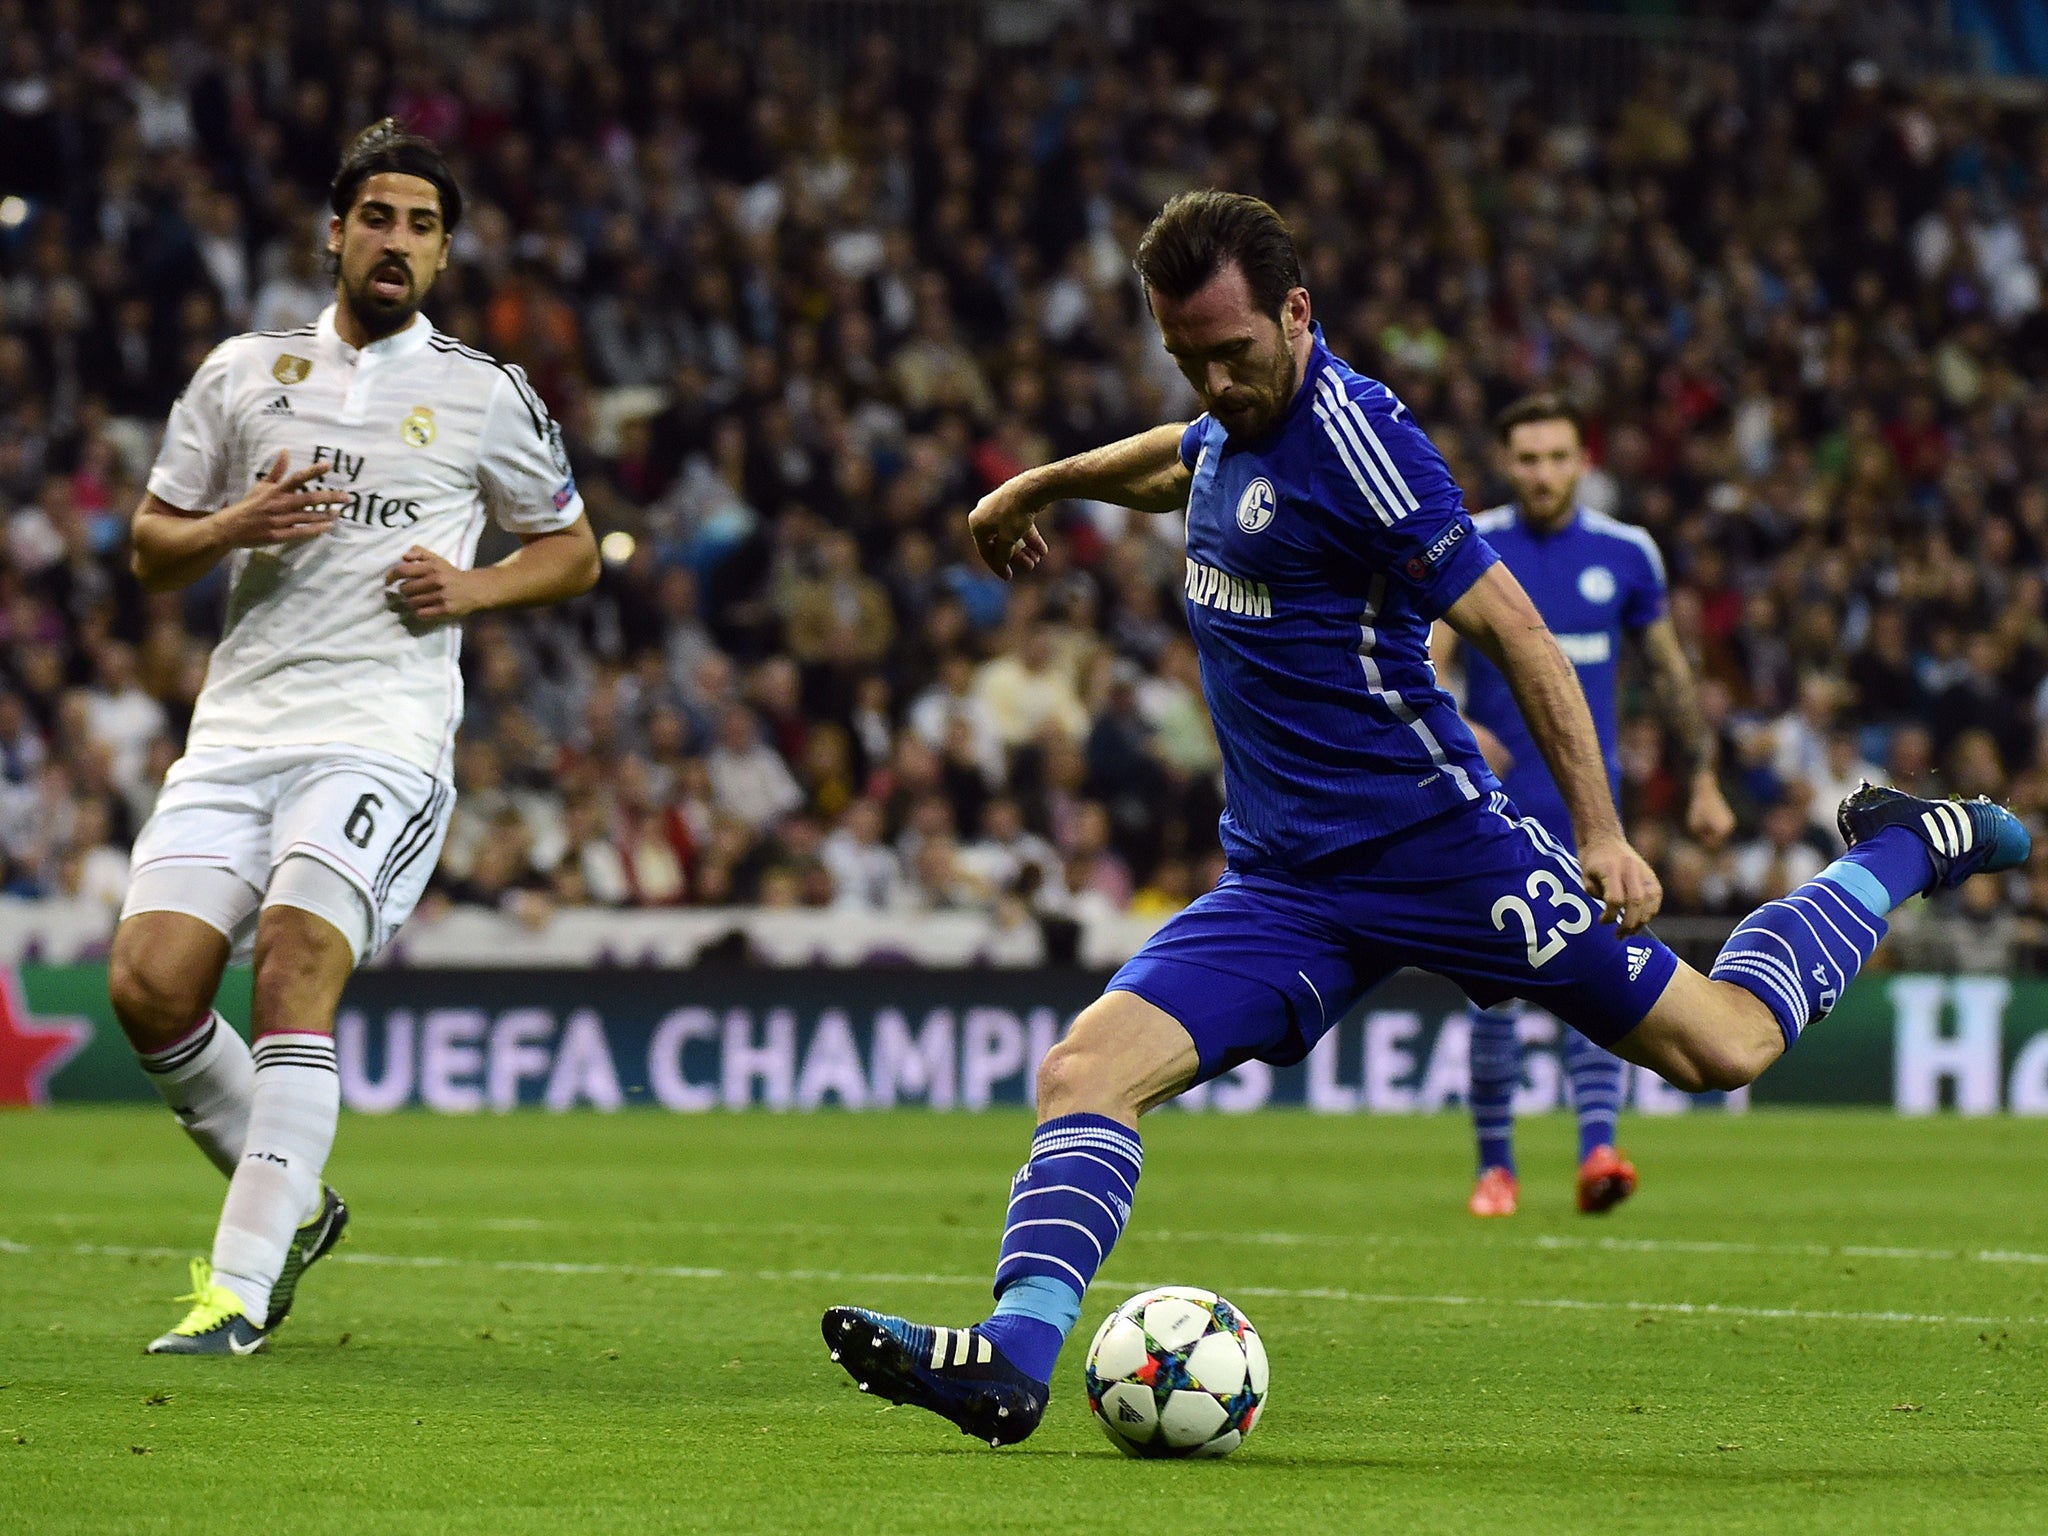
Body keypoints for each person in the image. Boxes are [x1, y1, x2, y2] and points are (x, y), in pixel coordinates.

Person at [817, 191, 2027, 1446]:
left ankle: (1900, 843)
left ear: (1297, 314)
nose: (1215, 380)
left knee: (1719, 1045)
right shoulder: (1232, 422)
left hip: (1440, 848)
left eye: (1232, 353)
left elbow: (1514, 631)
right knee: (1082, 1071)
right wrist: (1039, 486)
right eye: (1188, 356)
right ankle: (1011, 1360)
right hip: (1285, 882)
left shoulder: (1360, 443)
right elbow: (1179, 456)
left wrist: (1601, 831)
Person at [111, 120, 599, 1355]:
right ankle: (297, 1206)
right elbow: (149, 549)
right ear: (335, 232)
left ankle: (235, 1287)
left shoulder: (485, 393)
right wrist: (236, 524)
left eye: (422, 227)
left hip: (379, 732)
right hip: (237, 730)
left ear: (444, 257)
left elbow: (572, 550)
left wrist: (475, 588)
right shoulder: (240, 373)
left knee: (289, 962)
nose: (397, 242)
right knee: (150, 987)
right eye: (378, 217)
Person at [1431, 394, 1736, 1218]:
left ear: (1583, 460)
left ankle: (1598, 1148)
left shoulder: (1628, 554)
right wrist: (1454, 723)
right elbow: (1422, 659)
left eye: (1558, 457)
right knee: (1494, 992)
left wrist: (1703, 779)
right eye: (1528, 459)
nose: (1543, 474)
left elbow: (1671, 678)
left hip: (1588, 816)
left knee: (1598, 975)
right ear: (1506, 463)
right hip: (1489, 814)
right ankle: (1495, 1168)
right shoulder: (1470, 543)